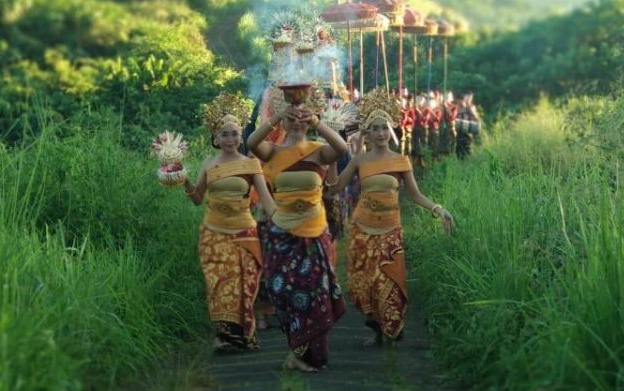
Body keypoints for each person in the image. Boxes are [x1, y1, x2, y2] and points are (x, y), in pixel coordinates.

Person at [329, 87, 454, 346]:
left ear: (391, 129)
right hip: (362, 229)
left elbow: (416, 195)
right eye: (375, 128)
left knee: (391, 279)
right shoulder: (359, 160)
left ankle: (392, 327)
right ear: (368, 132)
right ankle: (376, 329)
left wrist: (438, 209)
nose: (381, 133)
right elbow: (334, 189)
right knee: (365, 282)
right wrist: (331, 158)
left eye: (384, 128)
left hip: (390, 229)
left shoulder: (401, 161)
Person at [247, 87, 349, 372]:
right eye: (292, 117)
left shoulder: (318, 151)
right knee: (286, 294)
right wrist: (278, 114)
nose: (297, 121)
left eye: (301, 118)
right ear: (285, 121)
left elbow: (341, 149)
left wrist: (318, 122)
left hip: (314, 232)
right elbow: (252, 141)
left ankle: (307, 356)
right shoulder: (273, 151)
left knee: (313, 294)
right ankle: (295, 350)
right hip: (281, 233)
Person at [183, 92, 278, 352]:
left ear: (241, 136)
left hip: (244, 233)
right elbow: (197, 198)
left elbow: (268, 202)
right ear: (215, 137)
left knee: (244, 285)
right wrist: (182, 180)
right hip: (213, 234)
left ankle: (241, 335)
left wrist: (285, 220)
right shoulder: (208, 164)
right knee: (218, 284)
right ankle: (223, 336)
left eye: (235, 133)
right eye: (225, 134)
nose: (230, 139)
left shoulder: (251, 164)